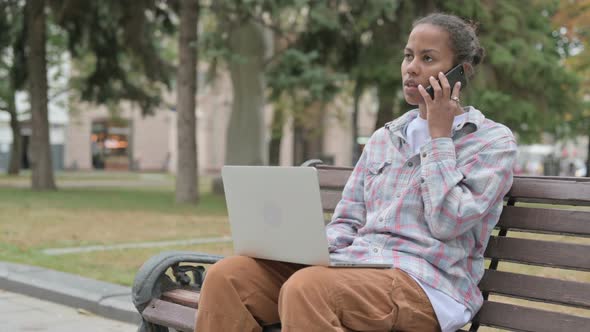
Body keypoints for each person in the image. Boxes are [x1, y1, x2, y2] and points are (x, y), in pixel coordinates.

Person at [195, 12, 517, 332]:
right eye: (408, 56)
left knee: (309, 288)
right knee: (228, 277)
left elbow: (448, 222)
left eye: (427, 58)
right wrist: (305, 249)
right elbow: (348, 220)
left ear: (461, 70)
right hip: (357, 266)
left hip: (429, 286)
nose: (411, 68)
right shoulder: (385, 137)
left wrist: (439, 137)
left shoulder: (492, 142)